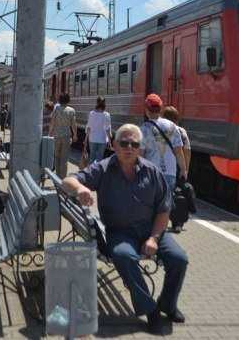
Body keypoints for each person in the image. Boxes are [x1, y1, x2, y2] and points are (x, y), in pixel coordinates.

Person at [63, 124, 188, 333]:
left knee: (179, 259)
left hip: (151, 230)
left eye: (134, 144)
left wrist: (154, 239)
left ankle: (168, 304)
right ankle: (151, 310)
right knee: (124, 256)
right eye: (124, 143)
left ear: (140, 148)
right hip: (120, 233)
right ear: (114, 145)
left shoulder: (153, 172)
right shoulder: (103, 168)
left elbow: (164, 210)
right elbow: (67, 181)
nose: (129, 147)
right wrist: (80, 188)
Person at [140, 94, 187, 196]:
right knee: (166, 208)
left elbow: (141, 155)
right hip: (170, 174)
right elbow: (178, 151)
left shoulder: (144, 129)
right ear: (160, 109)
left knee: (151, 207)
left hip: (151, 174)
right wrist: (183, 170)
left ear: (146, 110)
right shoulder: (172, 126)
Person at [49, 93, 77, 178]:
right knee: (64, 159)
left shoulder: (56, 109)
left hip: (56, 136)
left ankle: (57, 176)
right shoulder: (71, 110)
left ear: (60, 100)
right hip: (66, 136)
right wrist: (75, 134)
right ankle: (63, 178)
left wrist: (50, 133)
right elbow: (73, 124)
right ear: (68, 100)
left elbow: (52, 122)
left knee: (57, 157)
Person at [161, 106, 191, 178]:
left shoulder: (157, 129)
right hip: (174, 169)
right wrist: (185, 169)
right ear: (176, 118)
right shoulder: (181, 131)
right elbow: (187, 151)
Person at [85, 96, 111, 164]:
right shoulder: (106, 115)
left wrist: (85, 139)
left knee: (92, 158)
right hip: (102, 140)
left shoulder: (92, 113)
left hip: (92, 139)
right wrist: (109, 140)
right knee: (100, 159)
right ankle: (98, 174)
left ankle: (91, 173)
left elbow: (89, 127)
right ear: (104, 103)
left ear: (96, 103)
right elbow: (107, 129)